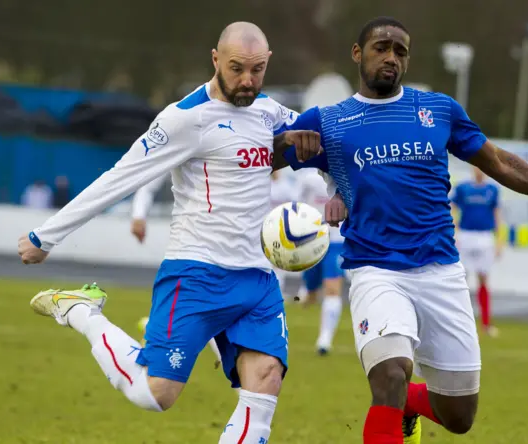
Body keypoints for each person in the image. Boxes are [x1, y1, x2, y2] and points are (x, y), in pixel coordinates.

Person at [273, 16, 528, 444]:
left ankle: (413, 403)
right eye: (381, 47)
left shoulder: (438, 110)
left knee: (459, 414)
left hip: (441, 272)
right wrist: (286, 144)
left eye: (400, 50)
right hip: (376, 270)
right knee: (391, 374)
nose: (391, 57)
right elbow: (262, 159)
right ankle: (398, 401)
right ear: (358, 54)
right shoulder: (329, 120)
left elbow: (499, 162)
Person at [17, 22, 320, 443]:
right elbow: (118, 178)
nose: (247, 81)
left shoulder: (269, 111)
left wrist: (337, 188)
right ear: (215, 59)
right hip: (196, 274)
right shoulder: (184, 118)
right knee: (155, 394)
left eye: (257, 70)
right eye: (236, 69)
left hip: (257, 276)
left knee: (265, 383)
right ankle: (81, 311)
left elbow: (327, 140)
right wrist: (44, 236)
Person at [129, 174, 223, 367]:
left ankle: (156, 333)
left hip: (227, 243)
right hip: (191, 243)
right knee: (201, 300)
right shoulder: (185, 145)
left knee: (206, 303)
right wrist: (138, 215)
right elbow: (150, 178)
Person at [298, 169, 345, 355]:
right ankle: (306, 293)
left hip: (337, 240)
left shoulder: (344, 170)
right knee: (310, 294)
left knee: (333, 288)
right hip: (313, 241)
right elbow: (298, 207)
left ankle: (324, 340)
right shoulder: (307, 177)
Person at [450, 167, 502, 337]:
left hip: (485, 236)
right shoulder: (463, 188)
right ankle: (457, 322)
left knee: (483, 278)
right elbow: (452, 208)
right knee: (460, 278)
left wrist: (499, 240)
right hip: (465, 235)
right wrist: (454, 230)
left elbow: (497, 214)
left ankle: (486, 323)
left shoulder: (492, 190)